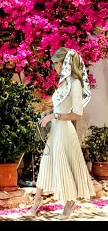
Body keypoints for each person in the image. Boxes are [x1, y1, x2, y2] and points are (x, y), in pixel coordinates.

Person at [27, 47, 95, 219]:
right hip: (55, 131)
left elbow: (77, 115)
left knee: (65, 167)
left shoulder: (75, 83)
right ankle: (36, 203)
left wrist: (53, 115)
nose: (55, 68)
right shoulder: (63, 83)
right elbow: (60, 107)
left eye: (56, 64)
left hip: (65, 132)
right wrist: (48, 113)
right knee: (45, 165)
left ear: (63, 63)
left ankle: (70, 202)